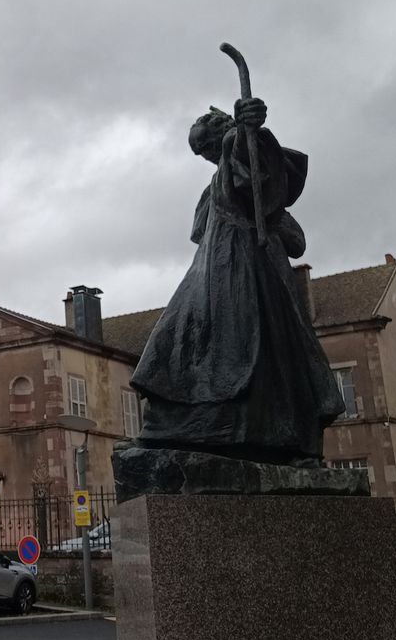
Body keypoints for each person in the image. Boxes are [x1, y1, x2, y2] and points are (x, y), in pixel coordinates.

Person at [129, 98, 344, 466]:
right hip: (212, 273)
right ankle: (181, 426)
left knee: (257, 346)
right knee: (181, 339)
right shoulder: (213, 186)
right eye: (204, 151)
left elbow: (255, 167)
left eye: (210, 144)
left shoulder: (237, 151)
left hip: (249, 270)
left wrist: (249, 130)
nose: (210, 154)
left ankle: (269, 436)